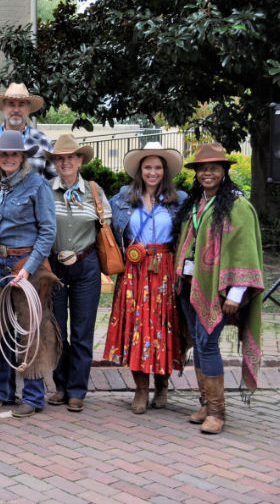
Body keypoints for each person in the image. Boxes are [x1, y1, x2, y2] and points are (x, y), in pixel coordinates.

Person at [174, 143, 263, 434]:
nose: (207, 173)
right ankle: (204, 402)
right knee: (199, 343)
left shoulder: (238, 206)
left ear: (224, 171)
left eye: (213, 168)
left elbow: (244, 252)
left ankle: (217, 411)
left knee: (208, 343)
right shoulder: (196, 203)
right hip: (191, 285)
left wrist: (236, 293)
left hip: (220, 290)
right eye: (202, 168)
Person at [104, 143, 187, 414]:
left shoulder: (179, 201)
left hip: (164, 271)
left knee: (163, 328)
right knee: (137, 329)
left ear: (165, 171)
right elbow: (107, 227)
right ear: (140, 170)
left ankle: (162, 386)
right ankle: (141, 389)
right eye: (148, 167)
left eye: (158, 167)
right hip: (134, 271)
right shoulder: (122, 199)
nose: (153, 172)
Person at [0, 130, 56, 417]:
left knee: (30, 330)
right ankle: (4, 391)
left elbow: (48, 231)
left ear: (22, 157)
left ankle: (34, 395)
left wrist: (27, 269)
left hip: (27, 266)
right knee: (0, 329)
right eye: (4, 154)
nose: (8, 158)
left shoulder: (37, 185)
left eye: (14, 154)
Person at [43, 135, 110, 413]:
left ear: (80, 160)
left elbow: (107, 225)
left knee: (82, 330)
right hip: (54, 267)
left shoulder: (94, 191)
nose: (65, 162)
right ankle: (61, 385)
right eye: (60, 158)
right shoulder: (46, 190)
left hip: (86, 266)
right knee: (57, 329)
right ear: (55, 163)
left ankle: (77, 390)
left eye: (71, 157)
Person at [0, 83, 56, 180]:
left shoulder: (43, 140)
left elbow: (54, 180)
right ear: (3, 108)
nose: (16, 110)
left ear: (28, 109)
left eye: (21, 105)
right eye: (11, 104)